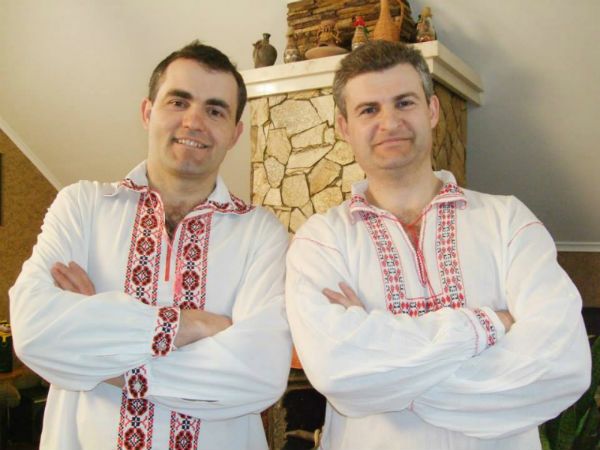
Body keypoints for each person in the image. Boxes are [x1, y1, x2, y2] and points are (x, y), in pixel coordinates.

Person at [285, 40, 590, 450]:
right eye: (368, 110)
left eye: (404, 102)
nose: (389, 122)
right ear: (344, 127)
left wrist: (390, 379)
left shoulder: (508, 221)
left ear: (431, 110)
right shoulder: (321, 240)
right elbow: (337, 371)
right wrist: (488, 325)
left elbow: (562, 364)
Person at [10, 41, 291, 450]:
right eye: (178, 102)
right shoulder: (83, 206)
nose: (194, 122)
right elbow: (35, 333)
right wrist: (193, 326)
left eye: (215, 110)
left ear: (234, 134)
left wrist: (96, 348)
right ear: (147, 112)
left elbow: (260, 376)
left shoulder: (260, 232)